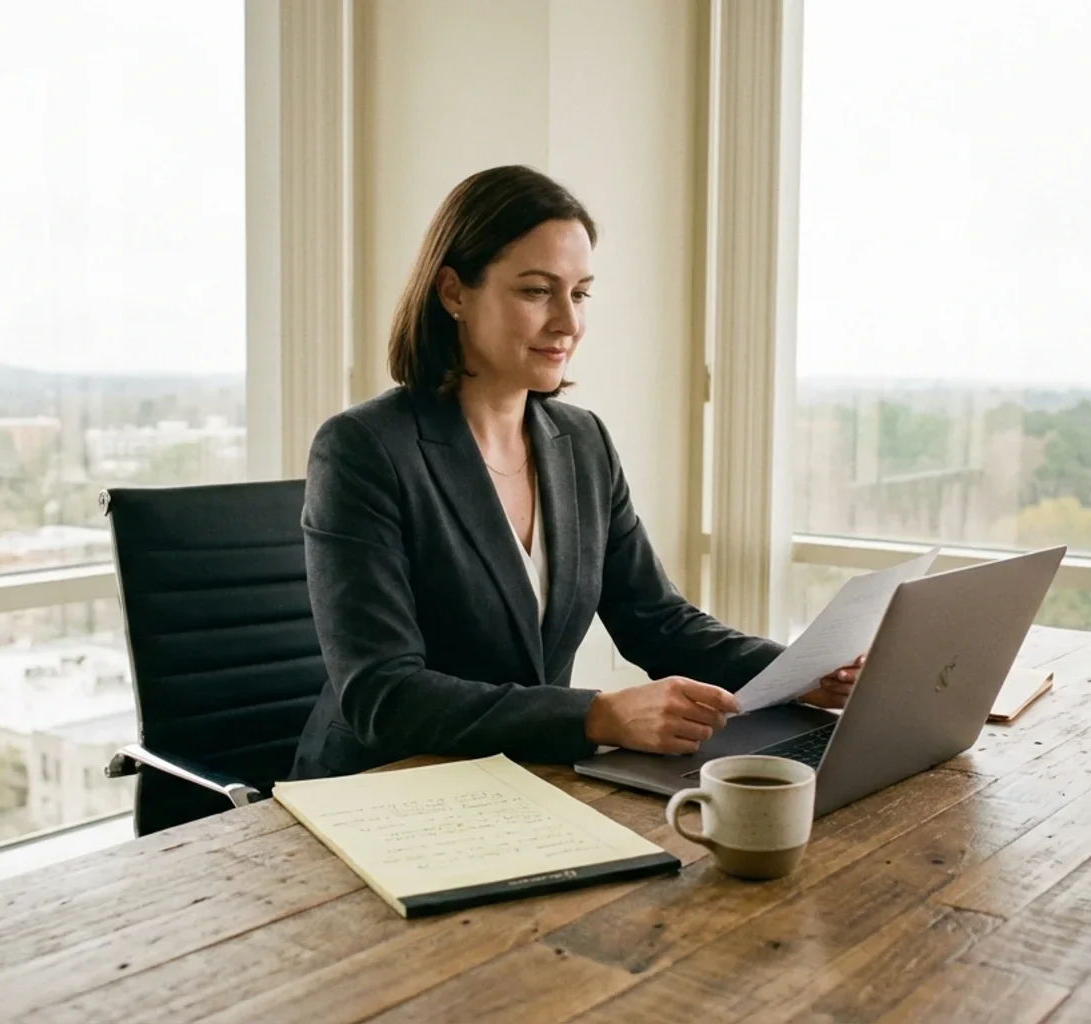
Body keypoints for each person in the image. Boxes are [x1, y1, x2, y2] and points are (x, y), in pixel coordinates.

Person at [287, 165, 859, 780]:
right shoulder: (363, 449)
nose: (568, 321)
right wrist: (597, 715)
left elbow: (658, 621)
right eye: (537, 291)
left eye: (580, 293)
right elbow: (384, 696)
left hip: (524, 781)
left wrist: (801, 671)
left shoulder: (581, 442)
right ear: (454, 293)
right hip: (382, 789)